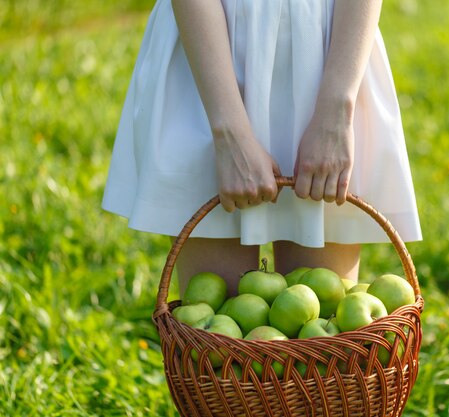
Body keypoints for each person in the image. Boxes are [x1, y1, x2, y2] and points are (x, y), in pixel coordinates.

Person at [102, 0, 422, 298]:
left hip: (329, 52)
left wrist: (335, 115)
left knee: (324, 336)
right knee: (216, 341)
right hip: (209, 53)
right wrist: (229, 133)